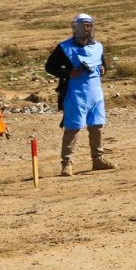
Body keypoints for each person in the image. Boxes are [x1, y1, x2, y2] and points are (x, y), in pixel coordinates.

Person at [44, 13, 116, 176]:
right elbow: (50, 67)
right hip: (75, 94)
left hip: (95, 93)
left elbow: (102, 65)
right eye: (83, 25)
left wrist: (104, 70)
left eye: (88, 25)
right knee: (73, 128)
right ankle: (67, 163)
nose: (86, 28)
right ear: (75, 27)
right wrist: (68, 73)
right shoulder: (64, 48)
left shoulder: (98, 47)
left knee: (97, 126)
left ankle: (98, 159)